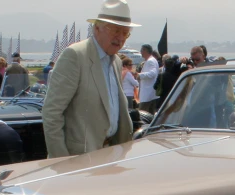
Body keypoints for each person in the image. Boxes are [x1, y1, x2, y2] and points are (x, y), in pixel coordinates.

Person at [42, 0, 135, 157]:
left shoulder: (116, 62)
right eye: (115, 31)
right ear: (97, 28)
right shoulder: (75, 56)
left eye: (125, 33)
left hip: (112, 155)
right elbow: (52, 113)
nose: (120, 38)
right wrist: (62, 163)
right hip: (79, 160)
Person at [136, 43, 159, 113]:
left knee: (143, 113)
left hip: (147, 93)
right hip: (150, 93)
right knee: (150, 113)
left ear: (146, 50)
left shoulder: (150, 61)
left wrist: (139, 75)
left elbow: (153, 73)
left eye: (142, 50)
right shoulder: (152, 60)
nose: (141, 52)